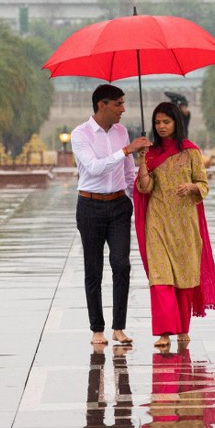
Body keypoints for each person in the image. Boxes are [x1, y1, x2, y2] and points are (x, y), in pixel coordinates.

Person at [133, 102, 215, 348]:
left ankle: (183, 327)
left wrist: (192, 187)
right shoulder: (150, 152)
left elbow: (203, 185)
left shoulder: (190, 151)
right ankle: (164, 332)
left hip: (185, 223)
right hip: (158, 222)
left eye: (166, 122)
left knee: (184, 276)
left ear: (176, 123)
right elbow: (144, 188)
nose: (161, 127)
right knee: (160, 276)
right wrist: (142, 162)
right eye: (157, 122)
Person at [71, 84, 151, 346]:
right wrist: (126, 150)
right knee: (93, 270)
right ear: (101, 105)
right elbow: (93, 168)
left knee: (122, 264)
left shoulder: (121, 132)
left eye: (124, 103)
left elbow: (128, 173)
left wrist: (138, 199)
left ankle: (119, 327)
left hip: (118, 206)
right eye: (118, 104)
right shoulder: (80, 134)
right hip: (90, 206)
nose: (123, 109)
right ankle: (97, 329)